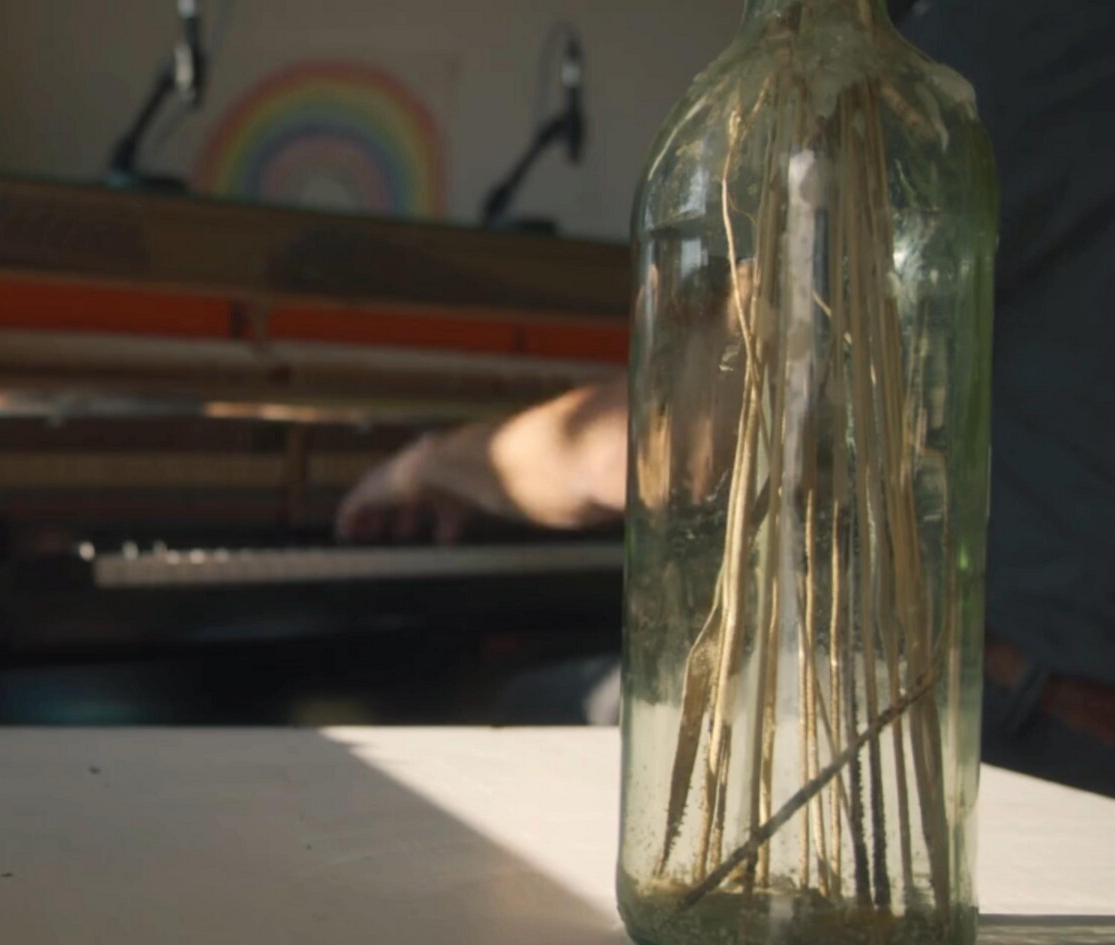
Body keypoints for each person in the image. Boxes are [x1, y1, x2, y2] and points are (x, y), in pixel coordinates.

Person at [337, 0, 1115, 796]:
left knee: (511, 700)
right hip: (1045, 695)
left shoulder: (969, 60)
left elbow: (690, 442)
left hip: (1032, 729)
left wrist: (432, 463)